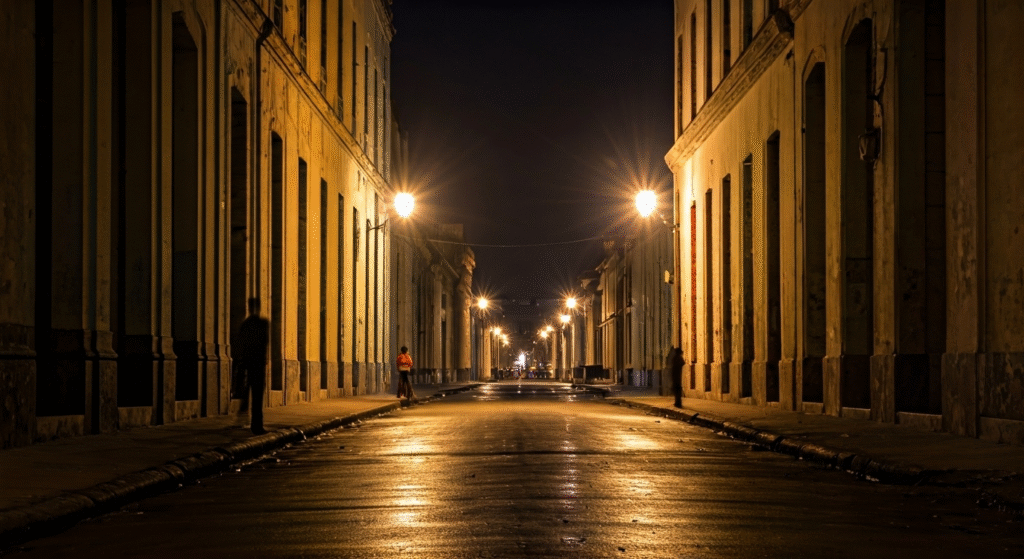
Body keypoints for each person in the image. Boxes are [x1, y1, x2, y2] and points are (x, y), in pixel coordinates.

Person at [238, 297, 270, 434]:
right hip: (257, 363)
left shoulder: (245, 324)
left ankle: (253, 422)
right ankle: (257, 425)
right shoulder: (263, 323)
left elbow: (241, 344)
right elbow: (265, 342)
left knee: (251, 392)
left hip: (249, 362)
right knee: (258, 396)